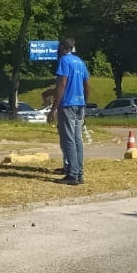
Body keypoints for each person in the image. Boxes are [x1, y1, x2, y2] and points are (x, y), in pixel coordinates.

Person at [47, 38, 90, 185]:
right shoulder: (80, 62)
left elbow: (62, 84)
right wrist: (84, 103)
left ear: (63, 47)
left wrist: (54, 108)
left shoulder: (64, 61)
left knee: (69, 140)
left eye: (59, 47)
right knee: (78, 140)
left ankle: (72, 174)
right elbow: (87, 86)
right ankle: (79, 173)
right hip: (79, 104)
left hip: (67, 104)